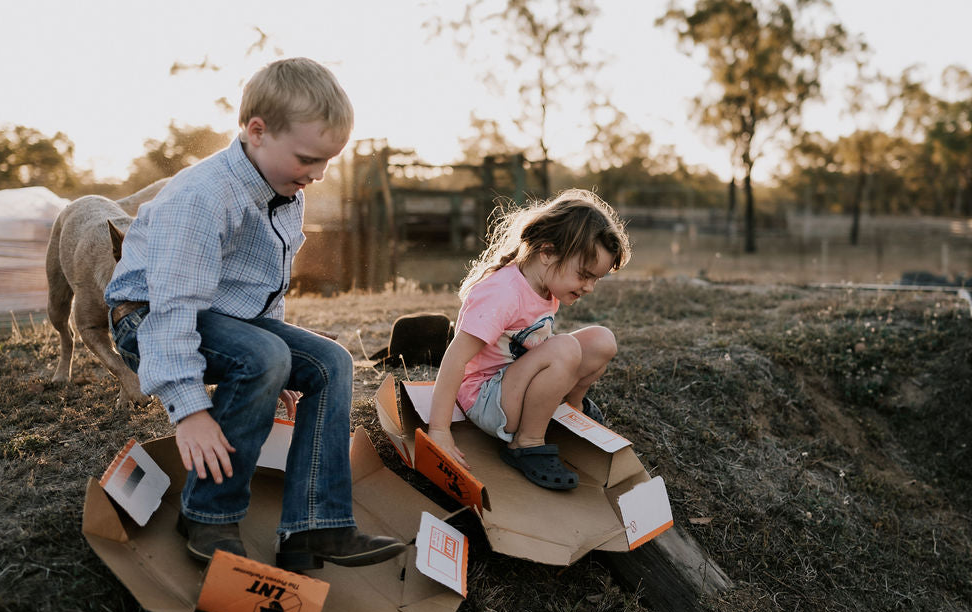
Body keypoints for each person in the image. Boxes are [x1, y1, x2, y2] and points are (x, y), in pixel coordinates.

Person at [104, 58, 404, 570]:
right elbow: (173, 309)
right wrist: (190, 410)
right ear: (257, 132)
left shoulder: (285, 187)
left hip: (226, 319)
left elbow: (265, 286)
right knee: (262, 354)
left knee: (332, 363)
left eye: (328, 162)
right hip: (150, 319)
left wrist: (285, 362)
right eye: (308, 158)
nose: (317, 174)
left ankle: (314, 526)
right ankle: (207, 513)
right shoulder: (203, 197)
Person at [428, 189, 631, 490]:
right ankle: (526, 443)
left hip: (516, 384)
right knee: (564, 348)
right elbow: (455, 358)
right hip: (487, 399)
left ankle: (569, 413)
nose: (589, 287)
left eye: (595, 279)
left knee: (603, 340)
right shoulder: (503, 292)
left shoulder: (547, 283)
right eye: (584, 275)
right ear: (547, 252)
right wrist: (439, 430)